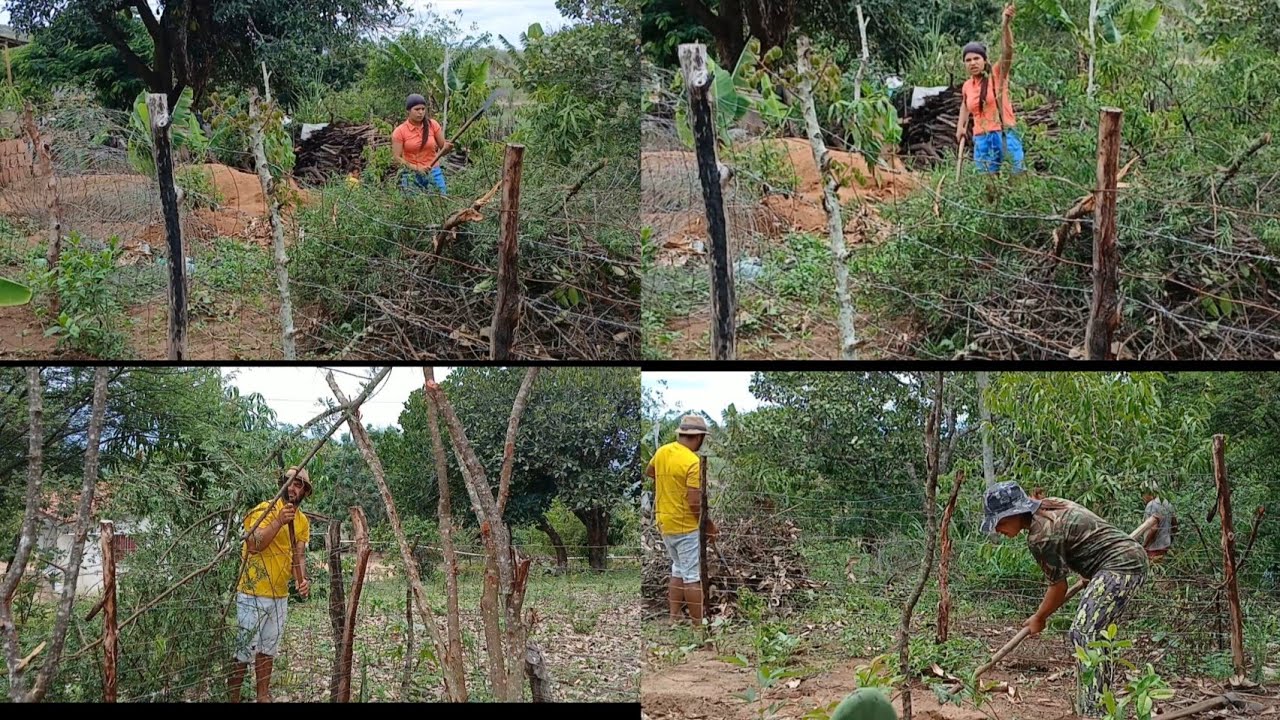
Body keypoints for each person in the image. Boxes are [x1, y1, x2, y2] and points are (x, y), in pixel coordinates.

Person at [982, 481, 1147, 718]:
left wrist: (1039, 617)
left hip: (1122, 565)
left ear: (1015, 513)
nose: (997, 529)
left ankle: (1095, 712)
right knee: (1093, 634)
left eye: (1000, 522)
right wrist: (1090, 570)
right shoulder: (1050, 507)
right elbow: (1082, 539)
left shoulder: (1041, 536)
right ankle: (1097, 706)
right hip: (1115, 561)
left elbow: (1058, 587)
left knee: (1085, 633)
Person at [228, 467, 313, 703]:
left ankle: (263, 696)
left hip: (280, 596)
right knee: (243, 652)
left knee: (267, 651)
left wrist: (301, 580)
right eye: (292, 483)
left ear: (305, 492)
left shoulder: (302, 521)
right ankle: (232, 697)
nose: (295, 488)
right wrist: (278, 521)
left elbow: (299, 555)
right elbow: (253, 545)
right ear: (283, 484)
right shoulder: (263, 510)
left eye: (301, 485)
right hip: (252, 593)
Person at [645, 414, 717, 629]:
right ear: (698, 437)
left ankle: (674, 618)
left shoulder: (662, 452)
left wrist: (669, 483)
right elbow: (694, 501)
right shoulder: (693, 462)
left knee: (678, 569)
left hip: (664, 522)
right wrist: (707, 525)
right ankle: (698, 627)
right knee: (692, 576)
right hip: (686, 525)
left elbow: (650, 472)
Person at [956, 4, 1026, 174]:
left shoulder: (997, 74)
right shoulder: (967, 86)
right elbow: (966, 105)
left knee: (1014, 177)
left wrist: (1005, 26)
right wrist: (960, 127)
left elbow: (1008, 51)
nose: (972, 63)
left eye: (976, 58)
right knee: (987, 183)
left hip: (1004, 134)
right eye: (968, 60)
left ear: (985, 60)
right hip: (981, 138)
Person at [392, 93, 454, 196]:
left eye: (423, 109)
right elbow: (397, 158)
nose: (420, 112)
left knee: (441, 200)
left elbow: (443, 148)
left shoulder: (432, 125)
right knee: (414, 207)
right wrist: (417, 168)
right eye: (417, 109)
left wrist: (448, 148)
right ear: (408, 111)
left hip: (433, 171)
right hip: (411, 175)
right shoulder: (400, 131)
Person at [1141, 488, 1176, 561]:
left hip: (1154, 548)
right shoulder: (1166, 502)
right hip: (1165, 545)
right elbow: (1174, 523)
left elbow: (1154, 528)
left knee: (1153, 570)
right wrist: (1170, 539)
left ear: (1150, 493)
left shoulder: (1151, 505)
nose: (1143, 497)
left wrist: (1144, 545)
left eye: (1143, 494)